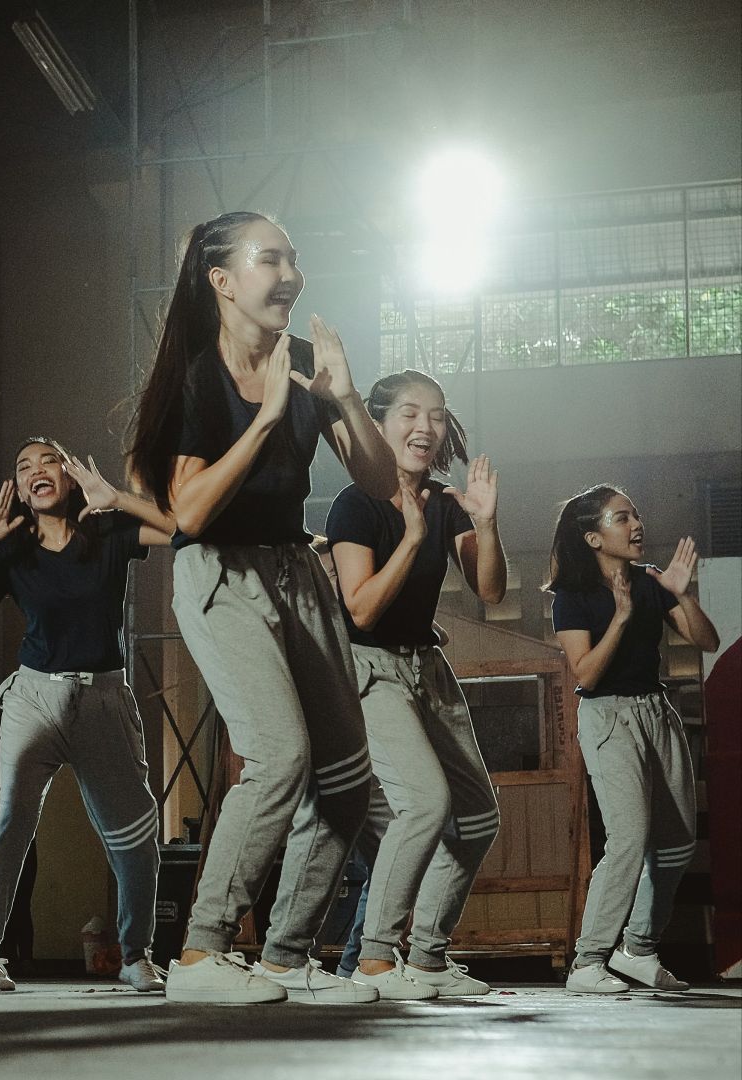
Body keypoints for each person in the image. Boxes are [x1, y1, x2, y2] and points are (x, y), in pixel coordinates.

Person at [125, 211, 398, 1004]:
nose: (291, 274)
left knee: (347, 772)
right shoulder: (195, 377)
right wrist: (271, 417)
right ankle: (201, 954)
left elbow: (378, 484)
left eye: (295, 258)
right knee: (278, 754)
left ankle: (286, 955)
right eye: (271, 258)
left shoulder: (306, 363)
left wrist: (343, 402)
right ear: (222, 279)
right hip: (221, 576)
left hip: (295, 573)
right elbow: (190, 514)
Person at [0, 438, 173, 993]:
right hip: (34, 696)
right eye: (24, 467)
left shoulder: (107, 533)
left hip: (104, 698)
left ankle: (136, 954)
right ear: (19, 489)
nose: (37, 471)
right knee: (11, 817)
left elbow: (183, 528)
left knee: (135, 829)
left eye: (50, 462)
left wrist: (117, 497)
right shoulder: (12, 548)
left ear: (70, 477)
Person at [324, 370, 506, 999]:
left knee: (479, 816)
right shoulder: (355, 503)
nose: (424, 427)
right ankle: (376, 960)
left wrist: (483, 523)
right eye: (408, 413)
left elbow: (490, 591)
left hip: (427, 668)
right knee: (425, 803)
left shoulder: (448, 501)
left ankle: (426, 957)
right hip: (369, 667)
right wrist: (414, 537)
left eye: (435, 414)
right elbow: (363, 609)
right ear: (376, 425)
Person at [548, 485, 718, 993]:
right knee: (628, 839)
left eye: (636, 515)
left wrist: (681, 592)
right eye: (622, 518)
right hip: (608, 718)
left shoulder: (650, 582)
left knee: (677, 843)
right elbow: (588, 675)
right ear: (594, 537)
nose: (636, 524)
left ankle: (638, 949)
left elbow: (706, 641)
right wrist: (621, 618)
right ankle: (587, 962)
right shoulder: (571, 598)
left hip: (656, 712)